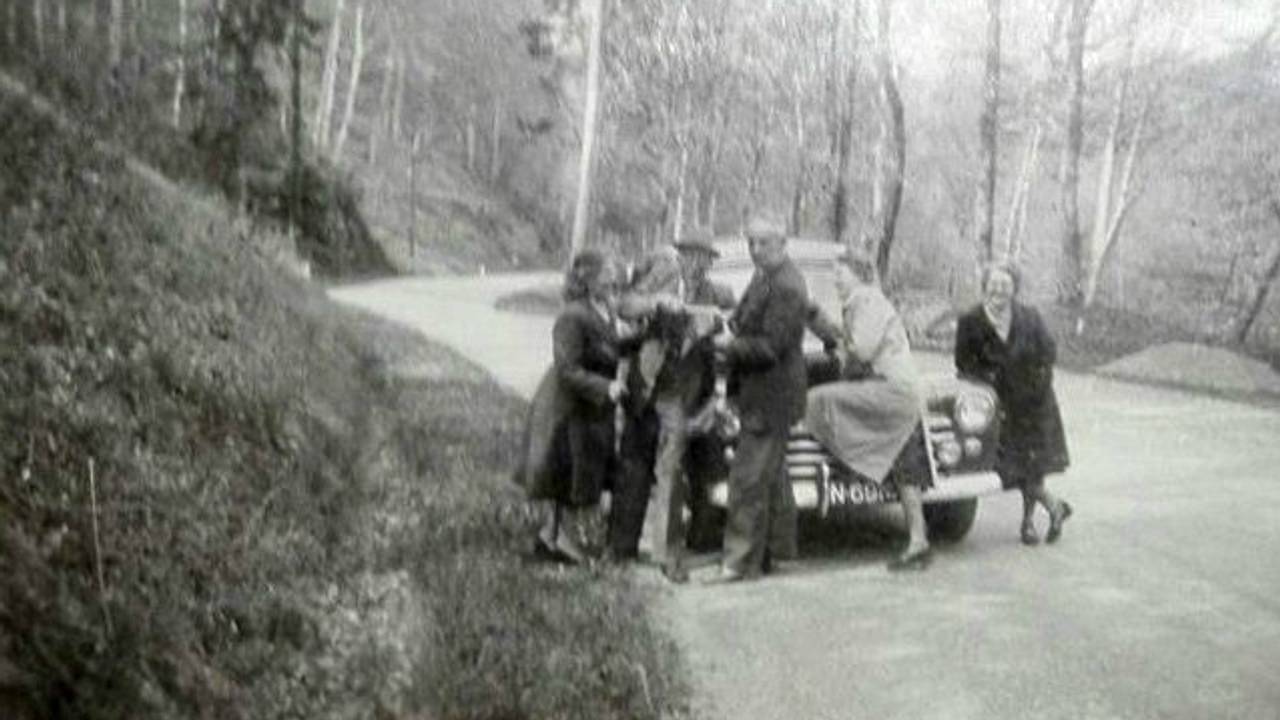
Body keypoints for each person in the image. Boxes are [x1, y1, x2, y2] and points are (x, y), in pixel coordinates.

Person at [607, 231, 733, 582]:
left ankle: (667, 555)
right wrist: (657, 302)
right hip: (645, 388)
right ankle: (620, 547)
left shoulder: (714, 293)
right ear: (681, 256)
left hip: (680, 393)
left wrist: (716, 327)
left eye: (704, 258)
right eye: (691, 256)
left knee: (670, 472)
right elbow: (625, 305)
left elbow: (729, 325)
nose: (696, 263)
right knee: (633, 466)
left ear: (709, 262)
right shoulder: (662, 277)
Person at [803, 250, 932, 570]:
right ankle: (918, 539)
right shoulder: (866, 302)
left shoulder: (865, 299)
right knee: (903, 458)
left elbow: (861, 349)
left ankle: (853, 467)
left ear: (859, 274)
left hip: (888, 387)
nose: (835, 280)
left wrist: (833, 337)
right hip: (899, 393)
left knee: (817, 400)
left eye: (840, 273)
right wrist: (821, 322)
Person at [706, 216, 809, 583]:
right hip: (763, 393)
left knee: (747, 480)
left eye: (762, 243)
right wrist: (724, 325)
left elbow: (770, 348)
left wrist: (728, 345)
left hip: (771, 396)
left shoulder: (787, 285)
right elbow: (746, 318)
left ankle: (737, 563)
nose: (754, 249)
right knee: (770, 477)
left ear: (782, 243)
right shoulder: (764, 276)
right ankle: (773, 554)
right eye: (750, 242)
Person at [513, 250, 628, 564]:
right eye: (607, 275)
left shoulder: (601, 310)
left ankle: (552, 539)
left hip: (587, 407)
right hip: (565, 406)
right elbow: (567, 369)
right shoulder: (572, 315)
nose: (614, 280)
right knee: (566, 474)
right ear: (588, 279)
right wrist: (607, 387)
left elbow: (609, 348)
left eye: (614, 275)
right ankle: (559, 542)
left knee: (577, 475)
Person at [955, 261, 1073, 545]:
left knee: (1034, 466)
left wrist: (1038, 383)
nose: (999, 290)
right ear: (984, 287)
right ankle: (1054, 506)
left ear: (1014, 289)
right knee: (1005, 466)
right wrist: (988, 384)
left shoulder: (1029, 317)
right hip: (999, 408)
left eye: (1005, 285)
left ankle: (1028, 523)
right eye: (993, 284)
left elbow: (1049, 352)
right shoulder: (970, 321)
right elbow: (962, 364)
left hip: (1035, 405)